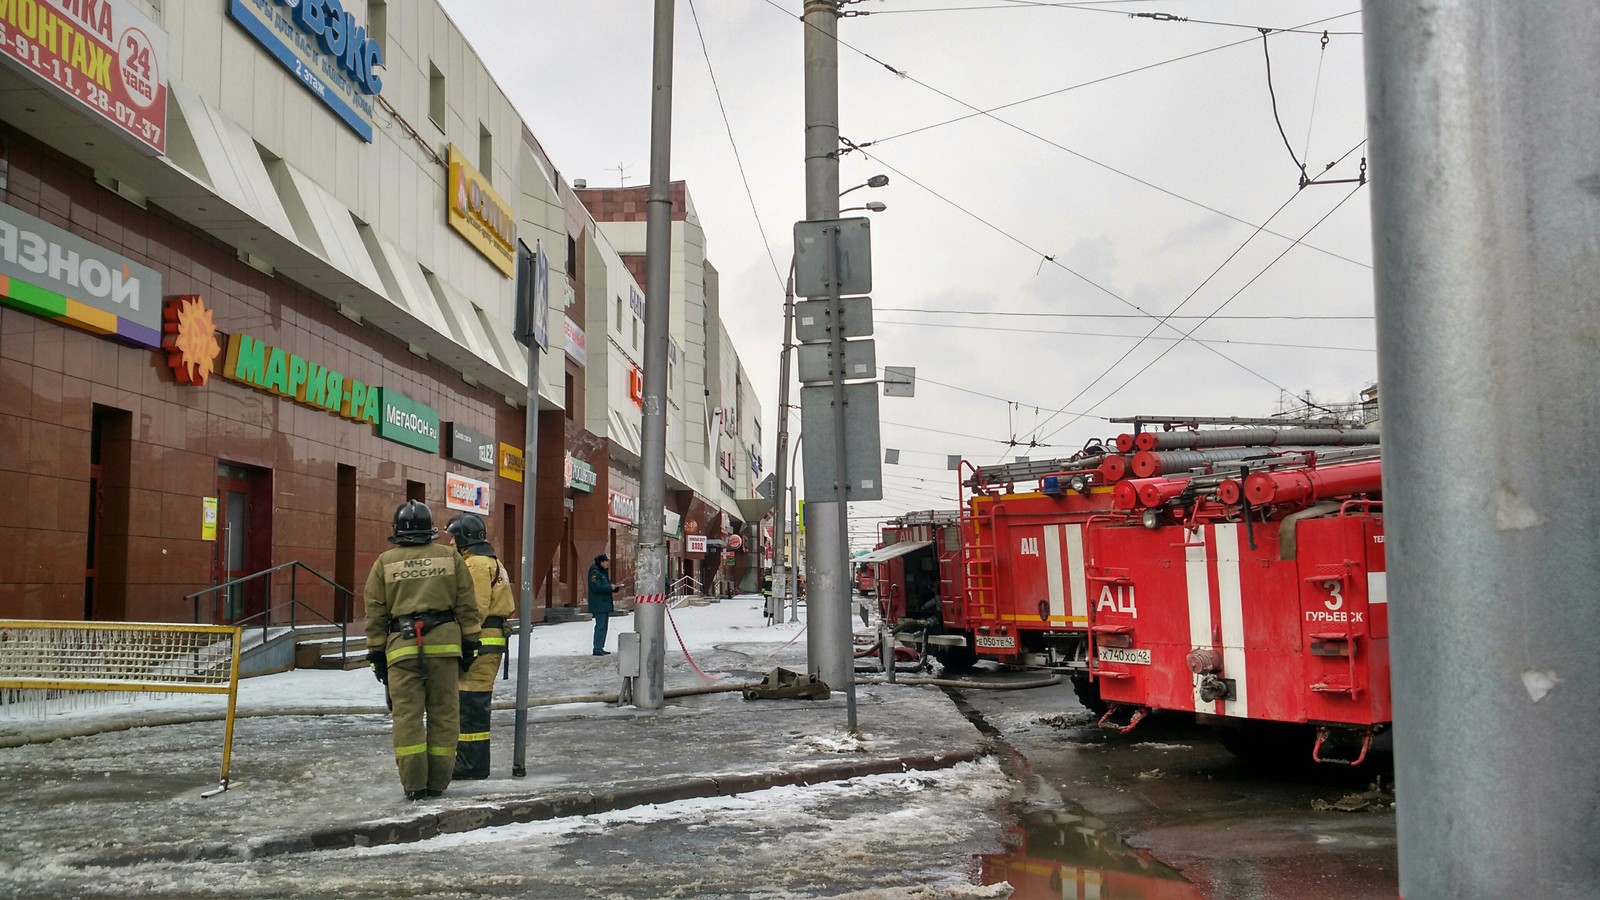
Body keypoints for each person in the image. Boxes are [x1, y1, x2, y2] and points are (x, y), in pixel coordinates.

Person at [365, 501, 480, 801]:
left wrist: (377, 655)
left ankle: (414, 785)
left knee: (407, 717)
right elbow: (467, 605)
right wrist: (470, 644)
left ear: (397, 531)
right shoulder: (450, 557)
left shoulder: (384, 563)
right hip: (444, 649)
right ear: (429, 530)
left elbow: (375, 612)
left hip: (401, 651)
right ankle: (438, 782)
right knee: (444, 715)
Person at [444, 513, 514, 781]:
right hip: (490, 641)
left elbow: (474, 608)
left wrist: (463, 641)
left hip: (480, 643)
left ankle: (470, 765)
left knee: (471, 704)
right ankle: (472, 762)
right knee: (474, 703)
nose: (450, 542)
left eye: (453, 537)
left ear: (463, 538)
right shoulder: (492, 560)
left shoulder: (475, 565)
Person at [587, 553, 623, 656]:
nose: (607, 563)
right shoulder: (594, 572)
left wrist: (614, 588)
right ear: (601, 562)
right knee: (600, 626)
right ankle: (597, 648)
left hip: (604, 603)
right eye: (606, 561)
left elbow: (605, 586)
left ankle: (600, 647)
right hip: (599, 604)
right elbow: (596, 587)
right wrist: (609, 587)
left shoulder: (602, 572)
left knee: (604, 627)